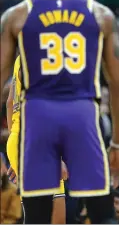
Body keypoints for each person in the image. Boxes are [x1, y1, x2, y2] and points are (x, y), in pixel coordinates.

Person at [0, 0, 119, 223]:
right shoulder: (100, 13)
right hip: (81, 114)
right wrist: (117, 143)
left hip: (37, 117)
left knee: (36, 216)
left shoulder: (17, 15)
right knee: (102, 213)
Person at [6, 56, 67, 223]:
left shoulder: (21, 57)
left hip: (21, 138)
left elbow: (10, 103)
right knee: (53, 219)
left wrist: (16, 149)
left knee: (36, 216)